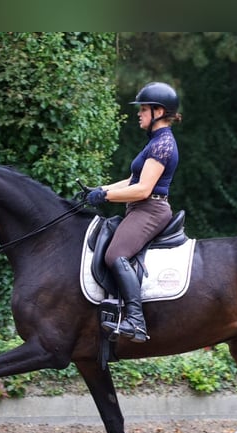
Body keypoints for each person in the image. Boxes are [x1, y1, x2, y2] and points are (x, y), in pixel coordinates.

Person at [85, 81, 182, 343]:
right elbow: (132, 181)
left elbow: (143, 189)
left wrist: (105, 196)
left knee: (116, 254)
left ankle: (136, 321)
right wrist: (99, 188)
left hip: (150, 209)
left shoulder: (163, 144)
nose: (138, 113)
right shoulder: (154, 142)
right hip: (141, 207)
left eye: (143, 109)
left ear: (158, 112)